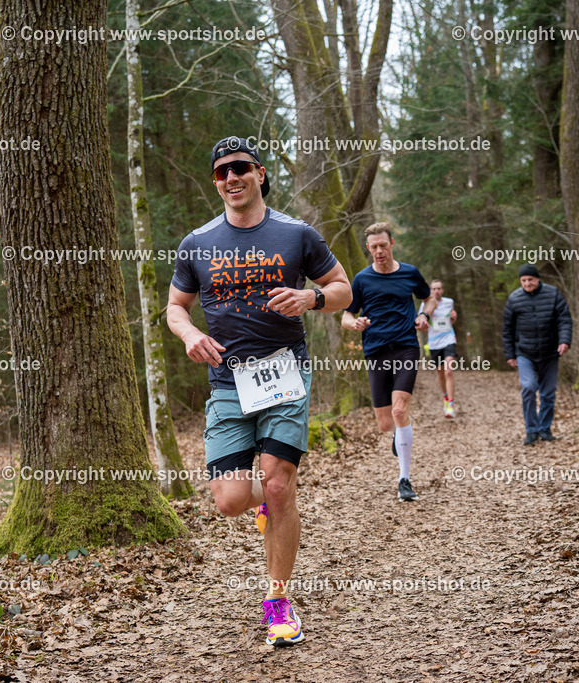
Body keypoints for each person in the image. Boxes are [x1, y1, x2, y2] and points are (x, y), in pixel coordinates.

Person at [166, 136, 351, 647]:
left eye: (241, 167)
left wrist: (312, 298)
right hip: (227, 379)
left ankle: (278, 600)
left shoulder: (296, 234)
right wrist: (190, 334)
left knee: (276, 485)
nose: (232, 178)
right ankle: (271, 506)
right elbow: (175, 307)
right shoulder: (197, 243)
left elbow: (343, 289)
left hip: (284, 372)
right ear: (216, 182)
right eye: (222, 171)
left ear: (260, 173)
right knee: (228, 500)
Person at [341, 223, 433, 502]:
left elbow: (427, 299)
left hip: (406, 346)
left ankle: (404, 479)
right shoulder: (361, 279)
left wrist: (423, 315)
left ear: (392, 243)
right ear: (368, 249)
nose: (379, 250)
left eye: (383, 245)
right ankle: (401, 431)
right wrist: (353, 323)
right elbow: (345, 315)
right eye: (374, 246)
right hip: (376, 350)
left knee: (399, 409)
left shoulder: (410, 273)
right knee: (385, 424)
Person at [502, 264, 573, 445]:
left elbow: (564, 319)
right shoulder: (514, 299)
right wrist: (510, 354)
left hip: (550, 352)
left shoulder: (553, 294)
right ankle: (531, 431)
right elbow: (507, 329)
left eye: (530, 280)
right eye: (524, 280)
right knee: (529, 387)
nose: (527, 283)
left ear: (538, 279)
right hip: (524, 352)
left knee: (548, 393)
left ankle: (544, 429)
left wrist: (564, 341)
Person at [424, 279, 458, 418]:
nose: (437, 291)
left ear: (442, 290)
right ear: (431, 291)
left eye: (439, 288)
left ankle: (450, 404)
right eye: (434, 289)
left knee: (448, 371)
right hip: (434, 343)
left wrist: (454, 318)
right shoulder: (425, 305)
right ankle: (445, 396)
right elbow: (421, 325)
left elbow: (452, 321)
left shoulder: (449, 302)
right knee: (440, 373)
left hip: (449, 339)